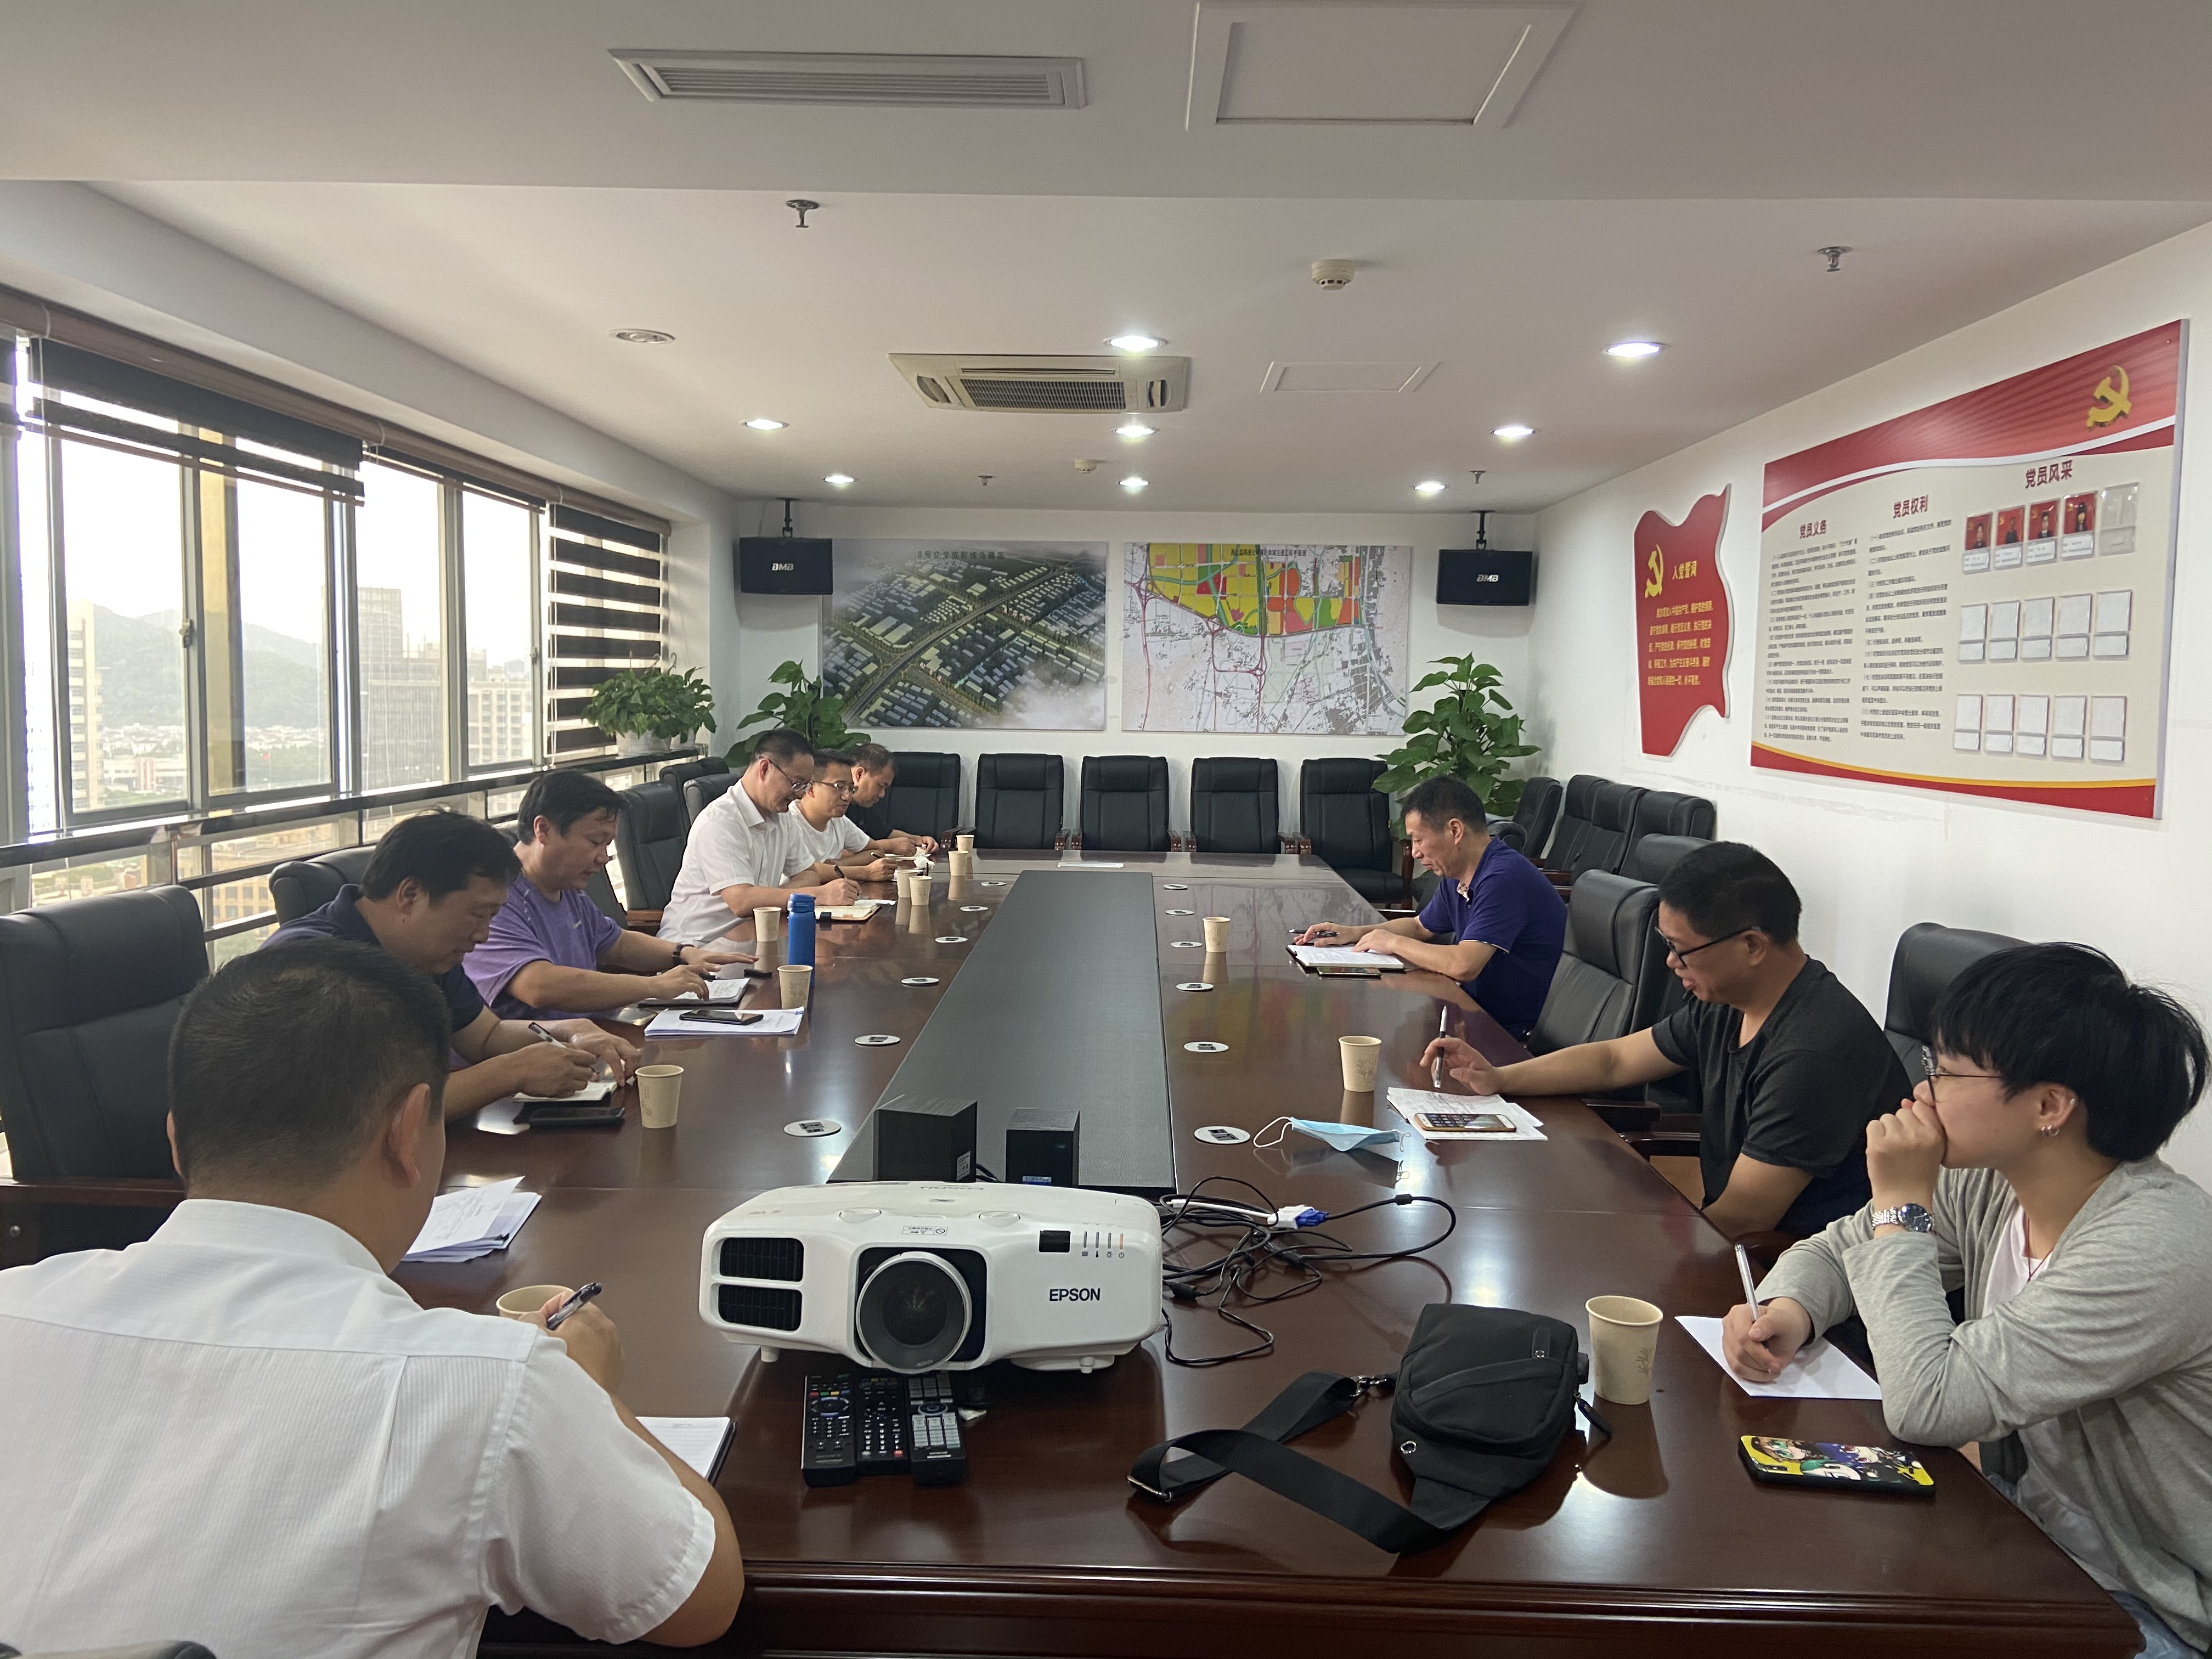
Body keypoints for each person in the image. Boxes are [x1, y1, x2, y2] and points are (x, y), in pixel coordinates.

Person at [0, 939, 744, 1657]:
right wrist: (590, 1394)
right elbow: (697, 1599)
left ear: (175, 1141)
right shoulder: (486, 1383)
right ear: (408, 1135)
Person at [1725, 944, 2212, 1659]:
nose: (1921, 1092)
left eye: (1946, 1072)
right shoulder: (1995, 1178)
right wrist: (1789, 1309)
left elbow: (1930, 1404)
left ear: (2049, 1106)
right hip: (2022, 1531)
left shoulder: (2155, 1248)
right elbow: (1839, 1248)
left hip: (2150, 1601)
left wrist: (1900, 1205)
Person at [1424, 840, 1908, 1238]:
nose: (1670, 964)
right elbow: (1615, 1059)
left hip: (1798, 1277)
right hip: (1733, 1240)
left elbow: (1745, 1218)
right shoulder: (1729, 1001)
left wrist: (1620, 1240)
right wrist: (1500, 1078)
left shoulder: (1813, 1053)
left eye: (1681, 950)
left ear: (1752, 945)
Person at [266, 811, 636, 1118]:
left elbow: (486, 1036)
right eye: (477, 915)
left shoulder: (427, 953)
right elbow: (369, 1115)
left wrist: (571, 1030)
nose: (484, 936)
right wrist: (512, 1072)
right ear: (411, 895)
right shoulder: (311, 970)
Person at [466, 769, 754, 1020]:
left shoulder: (565, 888)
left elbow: (617, 944)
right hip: (537, 1051)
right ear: (543, 830)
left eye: (608, 845)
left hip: (595, 1036)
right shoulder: (495, 899)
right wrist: (653, 986)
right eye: (595, 842)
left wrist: (684, 954)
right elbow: (538, 986)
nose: (604, 858)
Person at [1293, 775, 1564, 1041]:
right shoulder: (1460, 874)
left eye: (1418, 840)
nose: (1414, 852)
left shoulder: (1503, 878)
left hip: (1510, 1032)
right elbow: (1420, 927)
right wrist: (1354, 933)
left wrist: (1393, 942)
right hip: (1470, 1010)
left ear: (1455, 831)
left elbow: (1464, 965)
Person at [660, 729, 859, 944]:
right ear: (765, 768)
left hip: (754, 936)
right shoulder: (722, 821)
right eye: (796, 783)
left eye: (805, 785)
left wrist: (767, 898)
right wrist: (818, 895)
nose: (800, 794)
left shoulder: (782, 817)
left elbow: (808, 873)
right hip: (698, 945)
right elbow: (741, 901)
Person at [781, 751, 899, 886]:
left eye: (850, 788)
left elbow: (875, 851)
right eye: (839, 787)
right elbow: (806, 869)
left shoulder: (837, 820)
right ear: (810, 789)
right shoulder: (788, 820)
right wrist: (865, 872)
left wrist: (840, 864)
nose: (847, 796)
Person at [843, 742, 938, 855]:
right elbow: (838, 854)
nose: (882, 795)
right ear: (859, 774)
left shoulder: (862, 807)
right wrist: (889, 846)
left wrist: (919, 840)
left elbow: (887, 833)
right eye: (880, 786)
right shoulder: (837, 807)